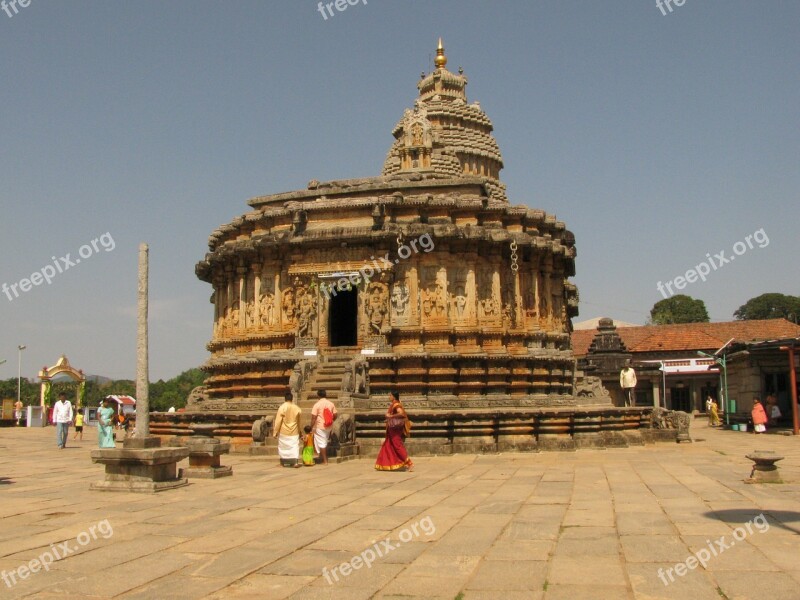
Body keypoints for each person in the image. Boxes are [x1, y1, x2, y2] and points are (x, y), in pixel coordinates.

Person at [375, 391, 414, 472]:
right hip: (392, 429)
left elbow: (401, 413)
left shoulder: (396, 404)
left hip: (395, 430)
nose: (389, 396)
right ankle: (387, 464)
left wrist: (391, 416)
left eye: (390, 395)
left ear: (394, 396)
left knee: (397, 446)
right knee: (388, 445)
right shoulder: (395, 404)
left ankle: (409, 463)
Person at [272, 391, 302, 468]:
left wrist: (275, 432)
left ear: (285, 399)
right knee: (294, 446)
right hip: (294, 430)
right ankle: (295, 462)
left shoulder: (282, 407)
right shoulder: (297, 408)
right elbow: (299, 422)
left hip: (284, 430)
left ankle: (282, 463)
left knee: (283, 447)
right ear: (292, 399)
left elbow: (278, 421)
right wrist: (300, 432)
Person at [310, 390, 337, 465]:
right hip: (329, 425)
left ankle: (325, 460)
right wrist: (331, 420)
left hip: (321, 426)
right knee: (323, 441)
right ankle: (321, 456)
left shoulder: (317, 405)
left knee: (322, 443)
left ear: (318, 396)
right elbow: (335, 415)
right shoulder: (331, 404)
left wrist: (311, 426)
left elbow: (313, 417)